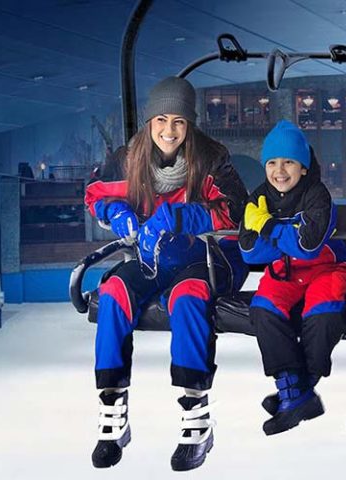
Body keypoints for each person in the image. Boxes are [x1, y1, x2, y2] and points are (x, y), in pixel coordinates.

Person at [84, 77, 248, 471]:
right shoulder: (130, 159)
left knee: (188, 299)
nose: (169, 131)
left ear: (190, 124)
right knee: (113, 291)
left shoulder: (211, 159)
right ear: (150, 122)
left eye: (178, 121)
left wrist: (180, 216)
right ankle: (112, 409)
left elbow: (236, 212)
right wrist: (115, 211)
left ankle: (196, 417)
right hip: (153, 256)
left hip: (203, 256)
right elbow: (95, 193)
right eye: (161, 120)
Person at [239, 120, 346, 436]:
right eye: (272, 163)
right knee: (264, 309)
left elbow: (308, 246)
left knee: (322, 313)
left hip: (328, 267)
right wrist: (286, 235)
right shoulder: (259, 196)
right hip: (286, 269)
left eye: (288, 162)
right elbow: (249, 252)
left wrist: (266, 226)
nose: (279, 171)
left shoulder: (317, 195)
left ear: (303, 167)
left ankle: (298, 390)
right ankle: (293, 389)